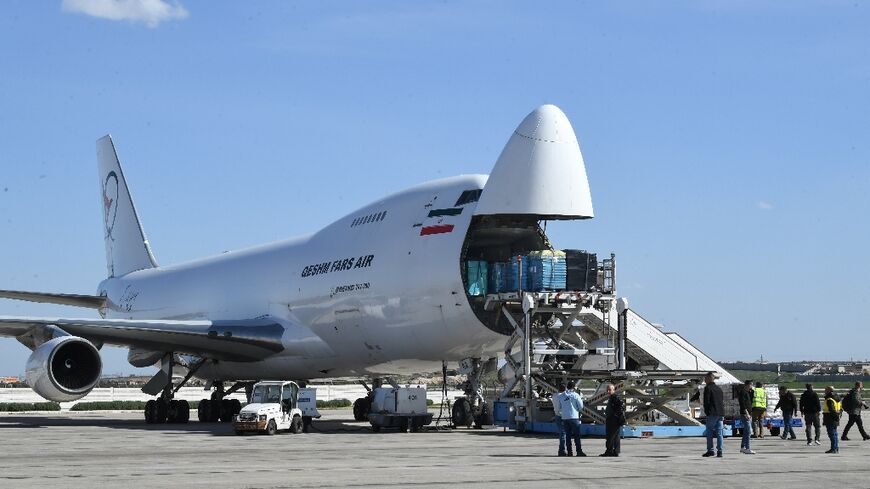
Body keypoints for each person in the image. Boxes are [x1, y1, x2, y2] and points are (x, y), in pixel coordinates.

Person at [559, 381, 586, 457]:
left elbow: (559, 407)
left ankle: (569, 452)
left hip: (565, 417)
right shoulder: (575, 395)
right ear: (574, 387)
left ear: (567, 387)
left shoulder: (561, 396)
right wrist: (576, 409)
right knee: (576, 436)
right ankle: (579, 451)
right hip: (574, 417)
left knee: (568, 436)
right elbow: (581, 406)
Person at [702, 372, 725, 458]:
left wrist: (707, 412)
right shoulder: (719, 389)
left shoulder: (708, 388)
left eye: (705, 378)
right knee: (719, 433)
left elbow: (706, 401)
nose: (704, 380)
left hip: (712, 413)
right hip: (720, 413)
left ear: (709, 378)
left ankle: (710, 450)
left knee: (709, 432)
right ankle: (720, 451)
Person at [600, 383, 625, 457]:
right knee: (615, 436)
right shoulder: (612, 397)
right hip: (613, 420)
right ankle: (616, 451)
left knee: (610, 436)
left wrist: (615, 416)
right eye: (607, 390)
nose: (608, 391)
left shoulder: (614, 397)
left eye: (609, 390)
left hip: (613, 420)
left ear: (613, 390)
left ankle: (609, 451)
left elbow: (620, 407)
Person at [737, 380, 755, 454]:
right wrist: (746, 413)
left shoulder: (748, 392)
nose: (752, 387)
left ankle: (742, 447)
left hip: (749, 413)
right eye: (751, 385)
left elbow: (749, 402)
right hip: (745, 414)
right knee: (748, 431)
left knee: (746, 431)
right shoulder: (743, 392)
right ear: (748, 385)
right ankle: (747, 448)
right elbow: (742, 403)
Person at [822, 385, 841, 454]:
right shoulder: (836, 398)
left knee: (832, 434)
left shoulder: (829, 400)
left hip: (830, 418)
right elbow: (839, 409)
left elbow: (832, 410)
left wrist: (835, 417)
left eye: (825, 390)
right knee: (835, 434)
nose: (824, 391)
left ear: (829, 391)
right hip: (835, 418)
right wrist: (837, 417)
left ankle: (833, 448)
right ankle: (836, 448)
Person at [553, 384, 567, 456]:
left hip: (557, 415)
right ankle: (562, 450)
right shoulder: (563, 396)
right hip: (563, 416)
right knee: (563, 434)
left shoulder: (554, 395)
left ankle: (562, 450)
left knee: (562, 434)